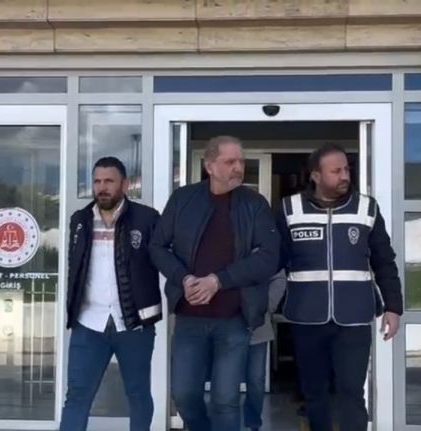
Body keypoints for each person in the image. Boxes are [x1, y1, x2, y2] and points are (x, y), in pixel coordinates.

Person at [149, 135, 280, 431]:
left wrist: (218, 281)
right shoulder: (183, 199)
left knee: (225, 400)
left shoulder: (255, 204)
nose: (238, 168)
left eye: (241, 161)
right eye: (229, 161)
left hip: (235, 318)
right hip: (189, 318)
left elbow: (269, 257)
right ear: (209, 166)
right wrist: (183, 278)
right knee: (184, 394)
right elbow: (157, 246)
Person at [276, 143, 403, 431]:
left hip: (354, 318)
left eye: (346, 169)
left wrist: (393, 307)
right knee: (314, 393)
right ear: (315, 176)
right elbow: (273, 260)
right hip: (306, 317)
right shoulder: (289, 209)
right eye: (336, 171)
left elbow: (384, 261)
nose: (345, 175)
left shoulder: (366, 208)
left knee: (351, 392)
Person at [61, 157, 161, 431]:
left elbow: (164, 260)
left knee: (138, 394)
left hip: (134, 325)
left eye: (109, 181)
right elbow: (75, 268)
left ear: (124, 184)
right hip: (88, 325)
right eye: (97, 181)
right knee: (77, 396)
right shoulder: (80, 220)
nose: (102, 187)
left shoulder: (147, 218)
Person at [243, 269, 286, 431]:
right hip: (225, 323)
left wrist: (265, 306)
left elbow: (279, 278)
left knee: (256, 379)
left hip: (258, 325)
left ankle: (253, 422)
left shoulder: (263, 252)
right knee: (225, 382)